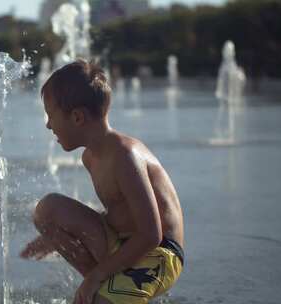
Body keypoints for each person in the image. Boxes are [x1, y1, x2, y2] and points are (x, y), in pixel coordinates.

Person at [20, 60, 184, 304]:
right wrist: (56, 235)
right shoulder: (91, 157)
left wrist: (96, 275)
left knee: (99, 300)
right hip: (124, 242)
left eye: (50, 115)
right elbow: (120, 210)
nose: (47, 124)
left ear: (77, 117)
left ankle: (101, 288)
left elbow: (151, 234)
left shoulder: (124, 156)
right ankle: (104, 287)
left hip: (158, 253)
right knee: (47, 210)